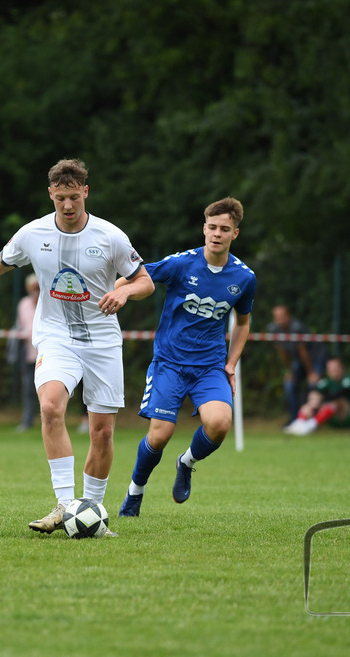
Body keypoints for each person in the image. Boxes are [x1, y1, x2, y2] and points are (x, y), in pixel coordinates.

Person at [0, 159, 154, 535]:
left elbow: (144, 281)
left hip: (102, 341)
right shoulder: (32, 233)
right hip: (56, 335)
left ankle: (92, 511)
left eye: (74, 198)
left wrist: (125, 290)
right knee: (50, 406)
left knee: (102, 433)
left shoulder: (110, 237)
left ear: (86, 192)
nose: (67, 206)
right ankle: (65, 505)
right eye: (60, 198)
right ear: (50, 193)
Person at [117, 197, 255, 517]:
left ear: (235, 233)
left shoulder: (244, 278)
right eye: (212, 227)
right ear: (203, 228)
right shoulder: (182, 264)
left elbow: (244, 324)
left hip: (209, 367)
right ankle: (135, 492)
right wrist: (118, 290)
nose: (216, 234)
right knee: (160, 435)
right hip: (170, 363)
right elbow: (140, 275)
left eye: (224, 229)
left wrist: (231, 364)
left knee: (220, 424)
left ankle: (186, 462)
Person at [267, 304, 327, 422]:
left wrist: (311, 373)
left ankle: (311, 420)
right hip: (299, 360)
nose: (279, 320)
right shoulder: (273, 329)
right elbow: (283, 352)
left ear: (288, 316)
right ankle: (294, 419)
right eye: (276, 317)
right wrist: (289, 371)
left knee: (313, 385)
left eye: (282, 317)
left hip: (316, 357)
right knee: (289, 384)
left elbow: (304, 353)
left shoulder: (297, 328)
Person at [284, 357, 350, 435]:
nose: (333, 371)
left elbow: (341, 393)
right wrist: (315, 402)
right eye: (331, 368)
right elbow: (311, 392)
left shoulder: (348, 380)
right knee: (314, 396)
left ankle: (310, 426)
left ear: (342, 368)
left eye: (335, 368)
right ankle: (300, 422)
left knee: (338, 401)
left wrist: (322, 401)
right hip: (334, 419)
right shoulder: (326, 382)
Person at [14, 273, 40, 432]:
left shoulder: (50, 303)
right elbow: (20, 326)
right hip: (30, 354)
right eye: (33, 288)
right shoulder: (23, 304)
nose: (35, 291)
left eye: (38, 288)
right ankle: (28, 420)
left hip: (50, 354)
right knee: (29, 388)